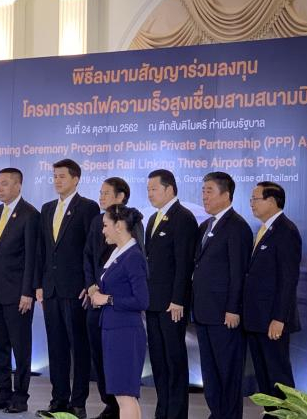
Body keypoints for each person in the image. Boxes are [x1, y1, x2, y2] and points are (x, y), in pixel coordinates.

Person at [36, 158, 99, 419]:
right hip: (50, 289)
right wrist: (38, 284)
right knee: (56, 347)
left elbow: (91, 249)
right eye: (55, 176)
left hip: (76, 290)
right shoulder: (47, 208)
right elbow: (42, 249)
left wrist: (88, 283)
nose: (57, 181)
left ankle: (78, 402)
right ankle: (58, 400)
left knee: (79, 347)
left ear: (76, 179)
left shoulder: (88, 207)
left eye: (62, 176)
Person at [83, 177, 144, 419]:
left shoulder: (133, 256)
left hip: (124, 332)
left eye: (106, 225)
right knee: (123, 395)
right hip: (113, 328)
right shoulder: (120, 254)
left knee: (126, 396)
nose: (103, 230)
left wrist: (107, 299)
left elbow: (142, 300)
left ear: (119, 226)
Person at [0, 168, 39, 413]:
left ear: (18, 185)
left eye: (4, 183)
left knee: (20, 347)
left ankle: (20, 396)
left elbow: (32, 257)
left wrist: (28, 292)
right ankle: (2, 392)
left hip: (17, 293)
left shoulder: (30, 214)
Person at [193, 171, 252, 419]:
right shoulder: (205, 226)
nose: (204, 196)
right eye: (203, 191)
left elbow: (239, 273)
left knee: (228, 372)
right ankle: (217, 413)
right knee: (210, 372)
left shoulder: (237, 227)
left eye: (210, 191)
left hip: (224, 314)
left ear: (226, 195)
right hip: (204, 311)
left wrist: (233, 309)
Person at [244, 182, 301, 418]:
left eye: (255, 198)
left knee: (278, 375)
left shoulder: (286, 231)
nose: (251, 204)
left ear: (272, 201)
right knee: (264, 375)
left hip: (272, 321)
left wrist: (279, 318)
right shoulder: (264, 229)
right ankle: (272, 414)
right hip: (257, 319)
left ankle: (287, 415)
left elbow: (288, 280)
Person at [144, 169, 198, 419]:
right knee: (158, 360)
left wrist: (178, 299)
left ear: (170, 189)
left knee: (174, 360)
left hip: (171, 305)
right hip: (153, 302)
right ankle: (162, 410)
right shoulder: (153, 219)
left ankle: (176, 414)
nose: (150, 194)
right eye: (148, 189)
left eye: (154, 189)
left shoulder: (183, 217)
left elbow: (184, 264)